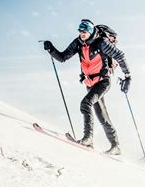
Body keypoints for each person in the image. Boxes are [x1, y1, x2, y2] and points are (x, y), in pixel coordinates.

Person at [43, 19, 131, 155]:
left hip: (103, 81)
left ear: (90, 32)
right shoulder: (78, 43)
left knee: (85, 103)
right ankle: (115, 146)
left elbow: (120, 55)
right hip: (90, 82)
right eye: (79, 31)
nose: (81, 33)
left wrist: (128, 76)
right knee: (102, 116)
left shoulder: (102, 42)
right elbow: (63, 57)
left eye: (84, 31)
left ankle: (88, 138)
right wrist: (51, 49)